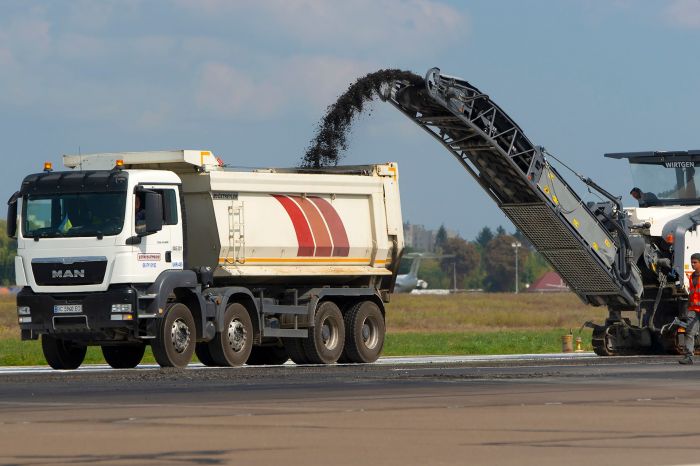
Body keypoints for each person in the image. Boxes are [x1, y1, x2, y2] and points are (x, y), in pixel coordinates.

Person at [680, 252, 700, 365]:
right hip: (694, 309)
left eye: (695, 262)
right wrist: (688, 306)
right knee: (689, 331)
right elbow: (691, 293)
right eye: (692, 262)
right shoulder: (692, 276)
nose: (692, 264)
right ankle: (688, 357)